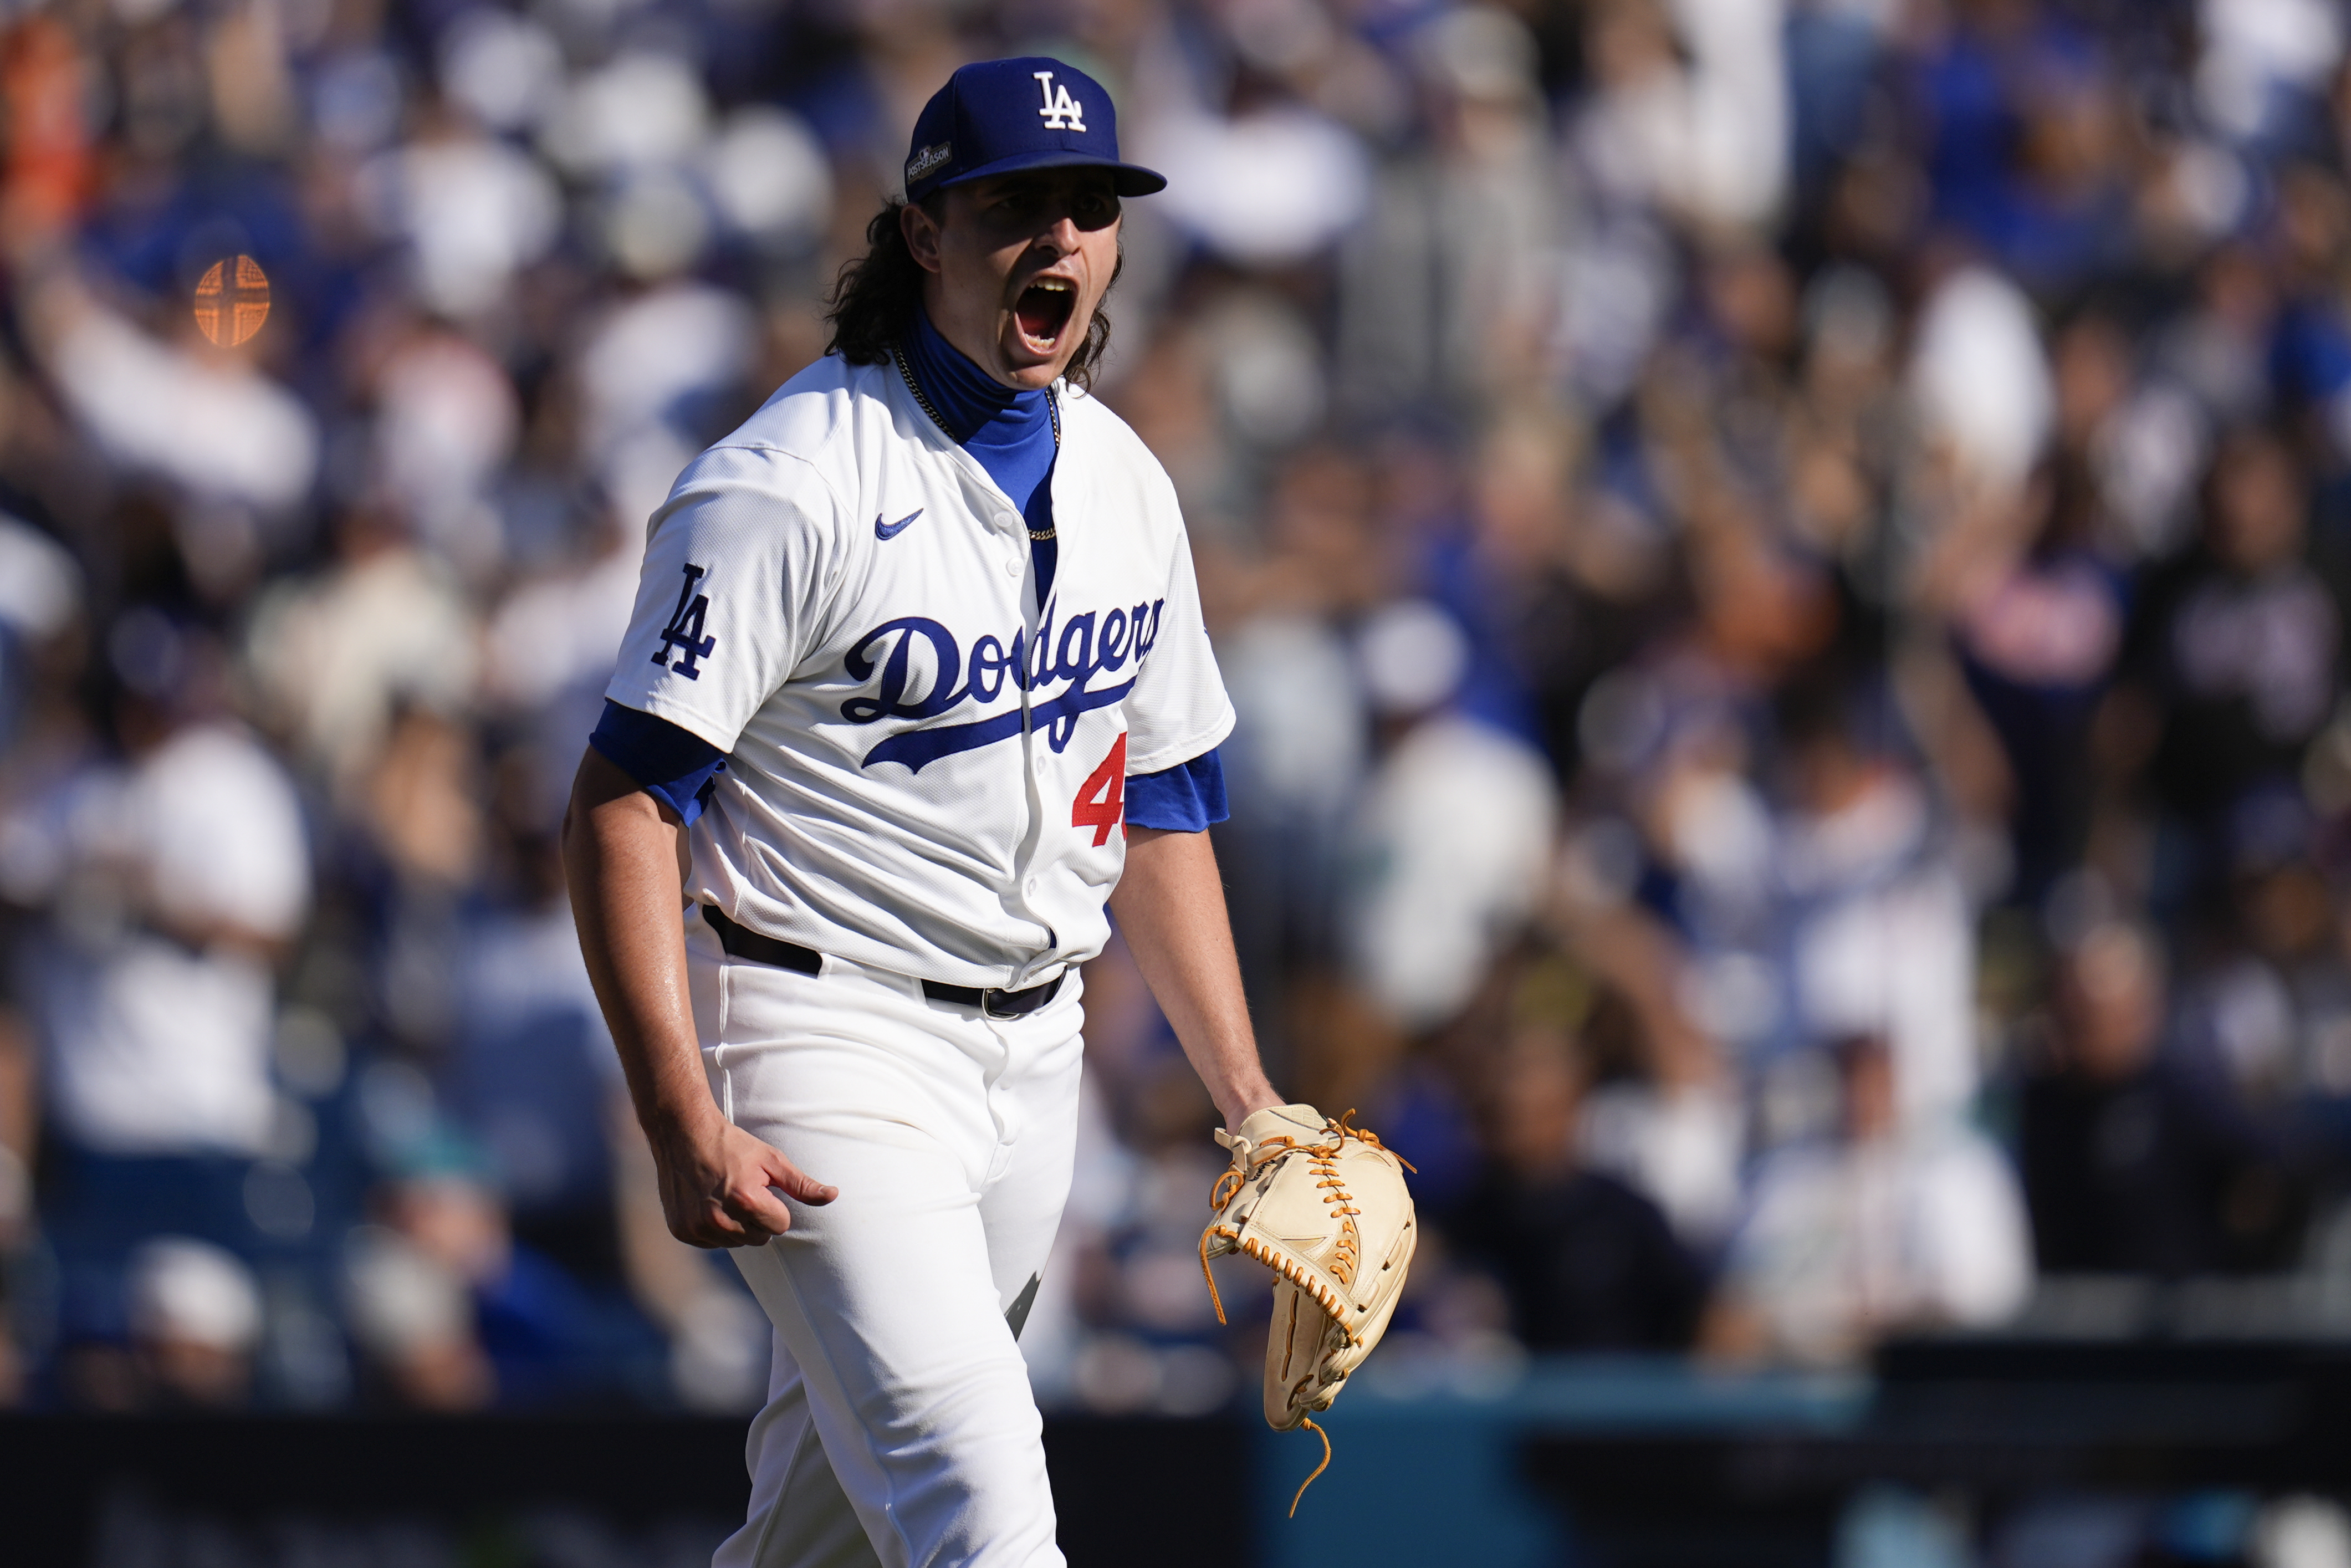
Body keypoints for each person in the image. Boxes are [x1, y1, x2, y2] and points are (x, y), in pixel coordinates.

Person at [562, 58, 1279, 1568]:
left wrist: (1249, 1106)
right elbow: (626, 805)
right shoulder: (785, 484)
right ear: (918, 238)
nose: (1058, 241)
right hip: (822, 1037)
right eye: (1013, 203)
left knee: (825, 1529)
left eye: (1088, 209)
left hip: (1033, 1052)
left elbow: (1157, 804)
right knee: (986, 1505)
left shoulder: (1124, 478)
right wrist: (676, 1111)